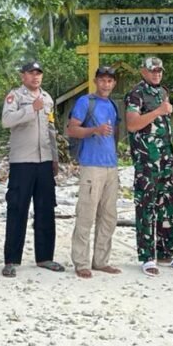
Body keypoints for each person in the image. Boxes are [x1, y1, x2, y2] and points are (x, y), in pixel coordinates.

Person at [1, 61, 64, 276]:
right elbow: (6, 121)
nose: (35, 77)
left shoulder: (47, 99)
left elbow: (51, 128)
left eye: (38, 73)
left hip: (44, 160)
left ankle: (45, 257)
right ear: (23, 76)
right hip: (22, 161)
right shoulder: (15, 96)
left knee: (46, 209)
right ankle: (11, 260)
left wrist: (54, 157)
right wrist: (30, 109)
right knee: (17, 209)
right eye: (31, 73)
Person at [124, 56, 173, 276]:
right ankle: (147, 256)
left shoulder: (163, 91)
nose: (157, 73)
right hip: (147, 159)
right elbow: (131, 124)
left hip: (167, 155)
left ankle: (167, 252)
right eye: (153, 70)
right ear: (143, 71)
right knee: (147, 204)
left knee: (172, 201)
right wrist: (158, 111)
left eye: (160, 70)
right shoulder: (136, 93)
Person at [67, 65, 122, 278]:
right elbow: (72, 129)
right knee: (86, 214)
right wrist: (94, 130)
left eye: (110, 80)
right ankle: (81, 262)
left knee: (108, 216)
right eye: (102, 80)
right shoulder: (85, 102)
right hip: (91, 165)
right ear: (96, 81)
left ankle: (101, 261)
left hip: (111, 166)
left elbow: (115, 134)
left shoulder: (113, 106)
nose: (106, 84)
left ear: (113, 83)